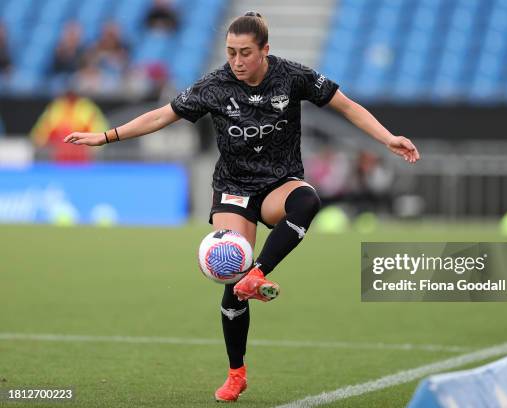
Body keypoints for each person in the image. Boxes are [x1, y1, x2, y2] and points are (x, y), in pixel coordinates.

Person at [64, 12, 419, 402]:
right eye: (231, 52)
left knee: (307, 200)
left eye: (245, 53)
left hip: (278, 183)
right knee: (231, 269)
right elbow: (162, 115)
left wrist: (388, 138)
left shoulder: (292, 76)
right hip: (233, 190)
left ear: (265, 50)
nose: (236, 61)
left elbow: (347, 106)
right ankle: (236, 373)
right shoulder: (215, 85)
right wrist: (106, 136)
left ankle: (259, 273)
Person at [32, 90, 109, 162]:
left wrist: (92, 148)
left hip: (82, 158)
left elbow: (99, 131)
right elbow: (41, 132)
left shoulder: (86, 107)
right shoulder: (57, 107)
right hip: (60, 158)